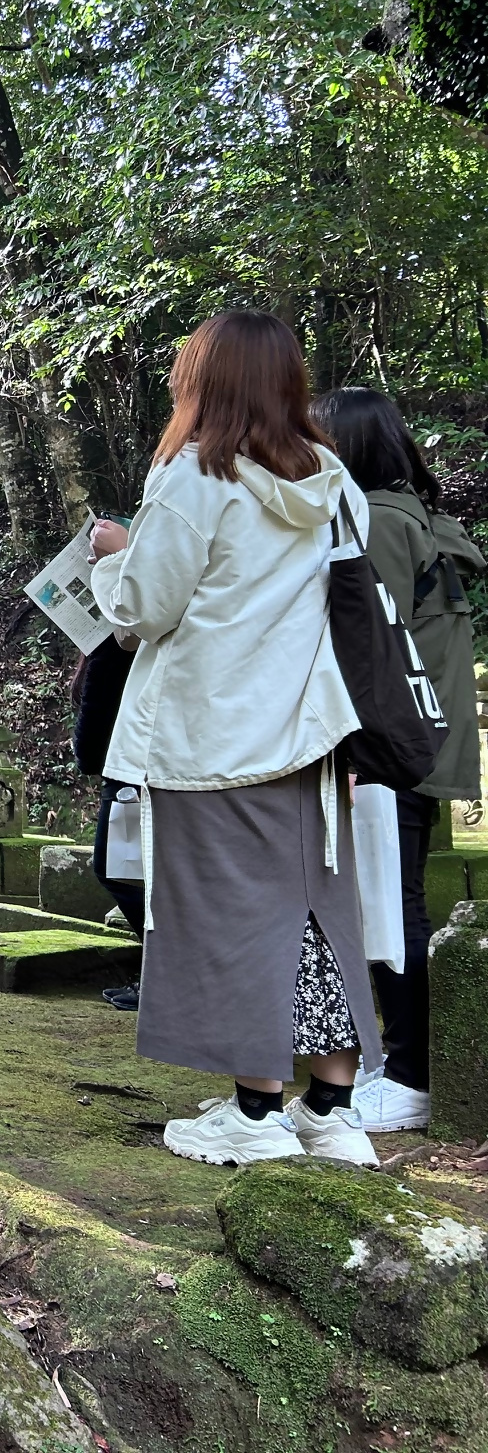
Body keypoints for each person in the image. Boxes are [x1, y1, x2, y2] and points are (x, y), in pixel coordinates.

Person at [88, 310, 379, 1169]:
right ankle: (331, 1107)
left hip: (214, 733)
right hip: (312, 731)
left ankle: (255, 1115)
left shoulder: (196, 475)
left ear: (204, 381)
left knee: (236, 919)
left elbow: (144, 608)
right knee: (320, 915)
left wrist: (114, 554)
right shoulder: (331, 479)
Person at [314, 387, 484, 1135]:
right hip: (425, 735)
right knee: (390, 899)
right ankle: (392, 1060)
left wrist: (354, 750)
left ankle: (409, 1075)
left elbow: (367, 647)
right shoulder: (419, 517)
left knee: (389, 905)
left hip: (392, 742)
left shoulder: (375, 522)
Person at [72, 633, 147, 1009]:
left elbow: (95, 725)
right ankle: (161, 972)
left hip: (129, 772)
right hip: (141, 767)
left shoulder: (117, 645)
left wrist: (85, 753)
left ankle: (167, 971)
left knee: (118, 870)